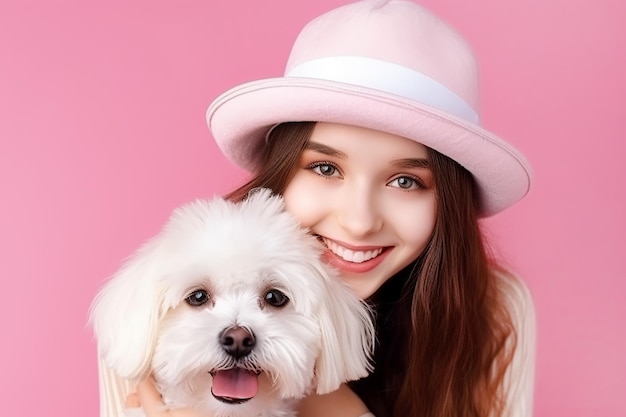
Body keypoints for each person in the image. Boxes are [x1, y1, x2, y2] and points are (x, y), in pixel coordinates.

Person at [128, 0, 536, 416]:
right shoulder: (159, 306)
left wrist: (329, 401)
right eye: (325, 168)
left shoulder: (496, 314)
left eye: (405, 181)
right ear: (282, 170)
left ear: (446, 202)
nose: (359, 223)